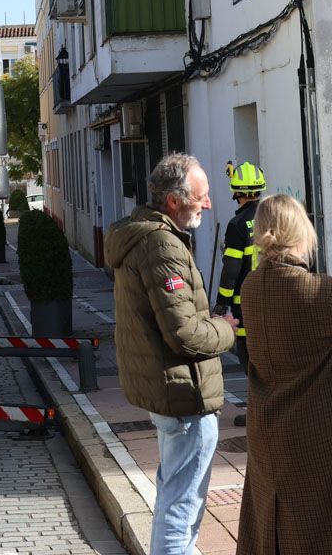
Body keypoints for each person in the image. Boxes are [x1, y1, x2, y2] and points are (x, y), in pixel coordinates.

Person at [236, 194, 332, 555]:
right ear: (300, 231)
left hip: (268, 425)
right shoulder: (319, 289)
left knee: (278, 517)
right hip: (321, 429)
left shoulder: (250, 288)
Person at [105, 152, 236, 555]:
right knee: (182, 505)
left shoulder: (144, 235)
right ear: (175, 201)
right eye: (203, 195)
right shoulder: (162, 246)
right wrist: (225, 329)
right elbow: (184, 334)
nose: (209, 203)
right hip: (184, 397)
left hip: (170, 391)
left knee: (173, 495)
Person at [215, 161, 265, 371]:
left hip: (246, 306)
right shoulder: (273, 217)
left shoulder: (236, 226)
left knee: (251, 366)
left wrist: (221, 303)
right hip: (272, 300)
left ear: (236, 192)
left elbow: (232, 269)